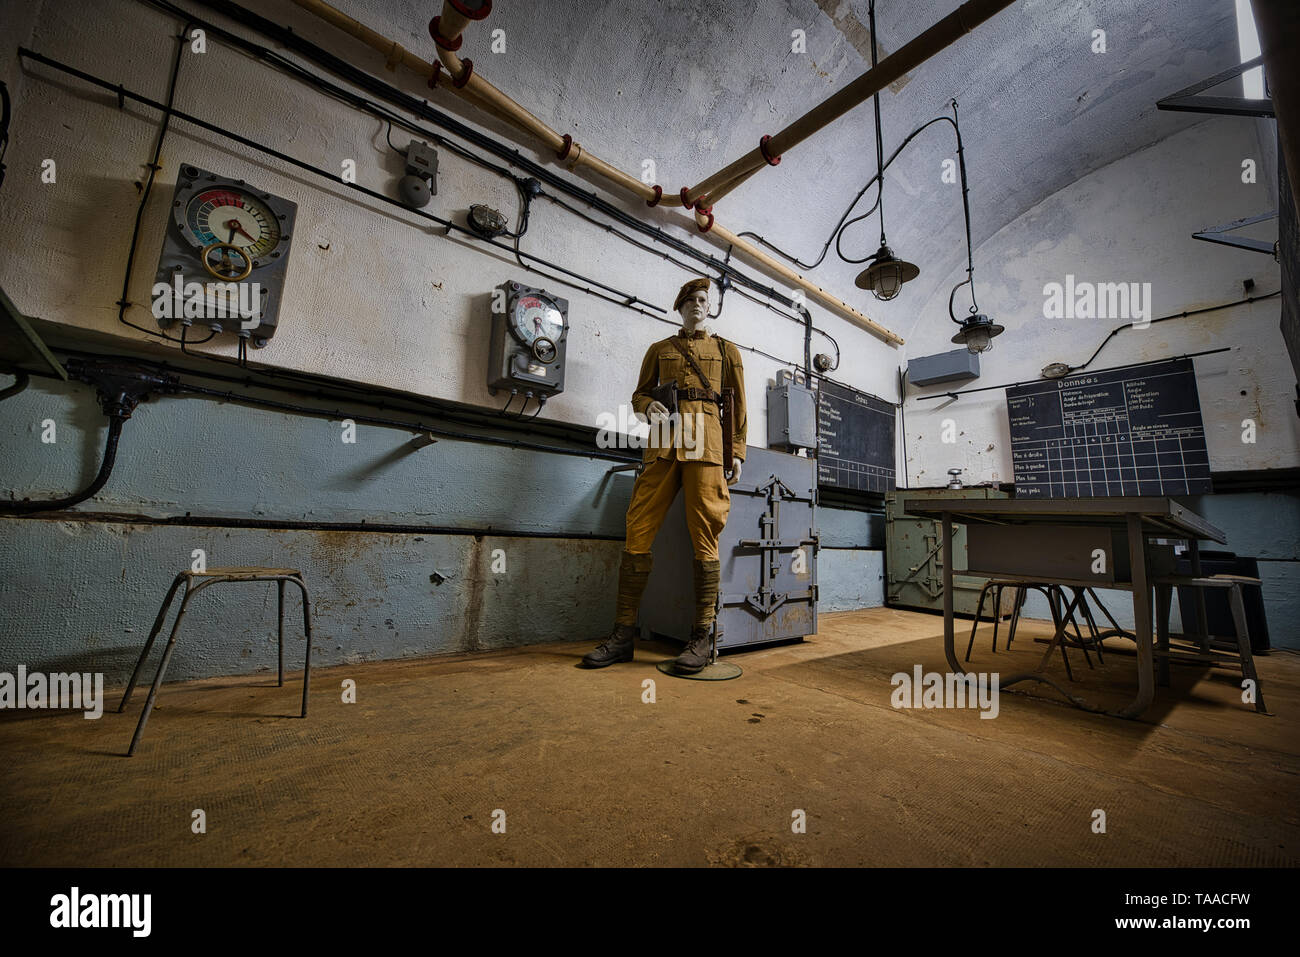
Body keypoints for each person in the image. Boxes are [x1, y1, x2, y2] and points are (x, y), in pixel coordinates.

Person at [581, 276, 746, 673]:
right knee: (638, 525)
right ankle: (623, 636)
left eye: (704, 300)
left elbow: (737, 404)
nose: (698, 305)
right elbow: (640, 393)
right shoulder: (659, 349)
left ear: (710, 307)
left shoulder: (727, 351)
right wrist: (646, 407)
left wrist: (736, 452)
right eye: (690, 300)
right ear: (679, 307)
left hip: (706, 444)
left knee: (705, 532)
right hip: (664, 444)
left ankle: (701, 638)